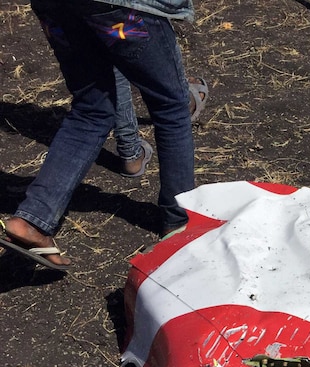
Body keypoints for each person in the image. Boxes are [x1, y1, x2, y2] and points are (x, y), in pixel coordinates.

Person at [0, 0, 196, 272]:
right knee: (171, 106)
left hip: (55, 6)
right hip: (119, 8)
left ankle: (33, 219)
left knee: (92, 109)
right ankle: (179, 222)